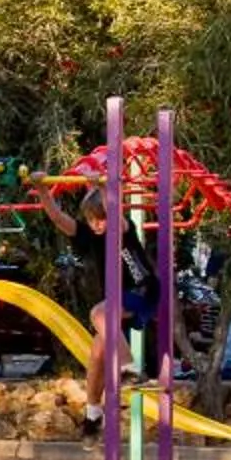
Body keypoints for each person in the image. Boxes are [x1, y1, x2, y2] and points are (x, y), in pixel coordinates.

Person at [36, 172, 200, 410]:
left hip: (143, 290)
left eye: (100, 220)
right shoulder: (89, 233)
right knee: (97, 353)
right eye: (92, 220)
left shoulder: (122, 228)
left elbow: (112, 210)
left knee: (98, 314)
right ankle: (93, 413)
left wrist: (103, 187)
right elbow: (58, 218)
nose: (97, 225)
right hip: (119, 298)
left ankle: (129, 368)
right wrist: (42, 189)